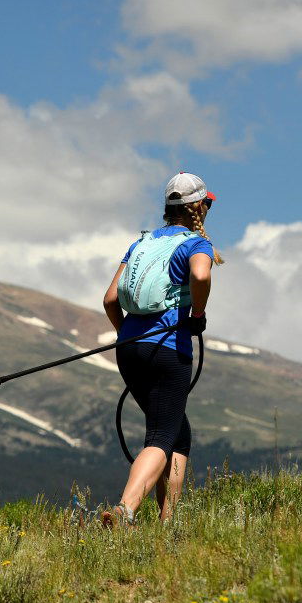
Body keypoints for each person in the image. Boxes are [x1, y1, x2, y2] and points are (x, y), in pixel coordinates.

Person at [101, 172, 221, 526]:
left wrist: (128, 335)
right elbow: (200, 277)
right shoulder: (194, 244)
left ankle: (168, 527)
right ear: (198, 207)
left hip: (129, 349)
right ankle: (125, 511)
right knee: (160, 436)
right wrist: (196, 314)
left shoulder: (141, 244)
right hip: (169, 347)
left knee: (177, 433)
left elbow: (110, 299)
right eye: (207, 204)